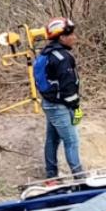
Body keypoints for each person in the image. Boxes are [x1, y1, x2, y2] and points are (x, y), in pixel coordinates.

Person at [34, 17, 84, 179]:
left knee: (52, 140)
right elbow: (68, 86)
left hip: (50, 103)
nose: (74, 37)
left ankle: (51, 175)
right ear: (62, 37)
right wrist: (75, 106)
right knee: (72, 141)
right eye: (71, 34)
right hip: (59, 106)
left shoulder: (47, 53)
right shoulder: (62, 58)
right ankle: (80, 176)